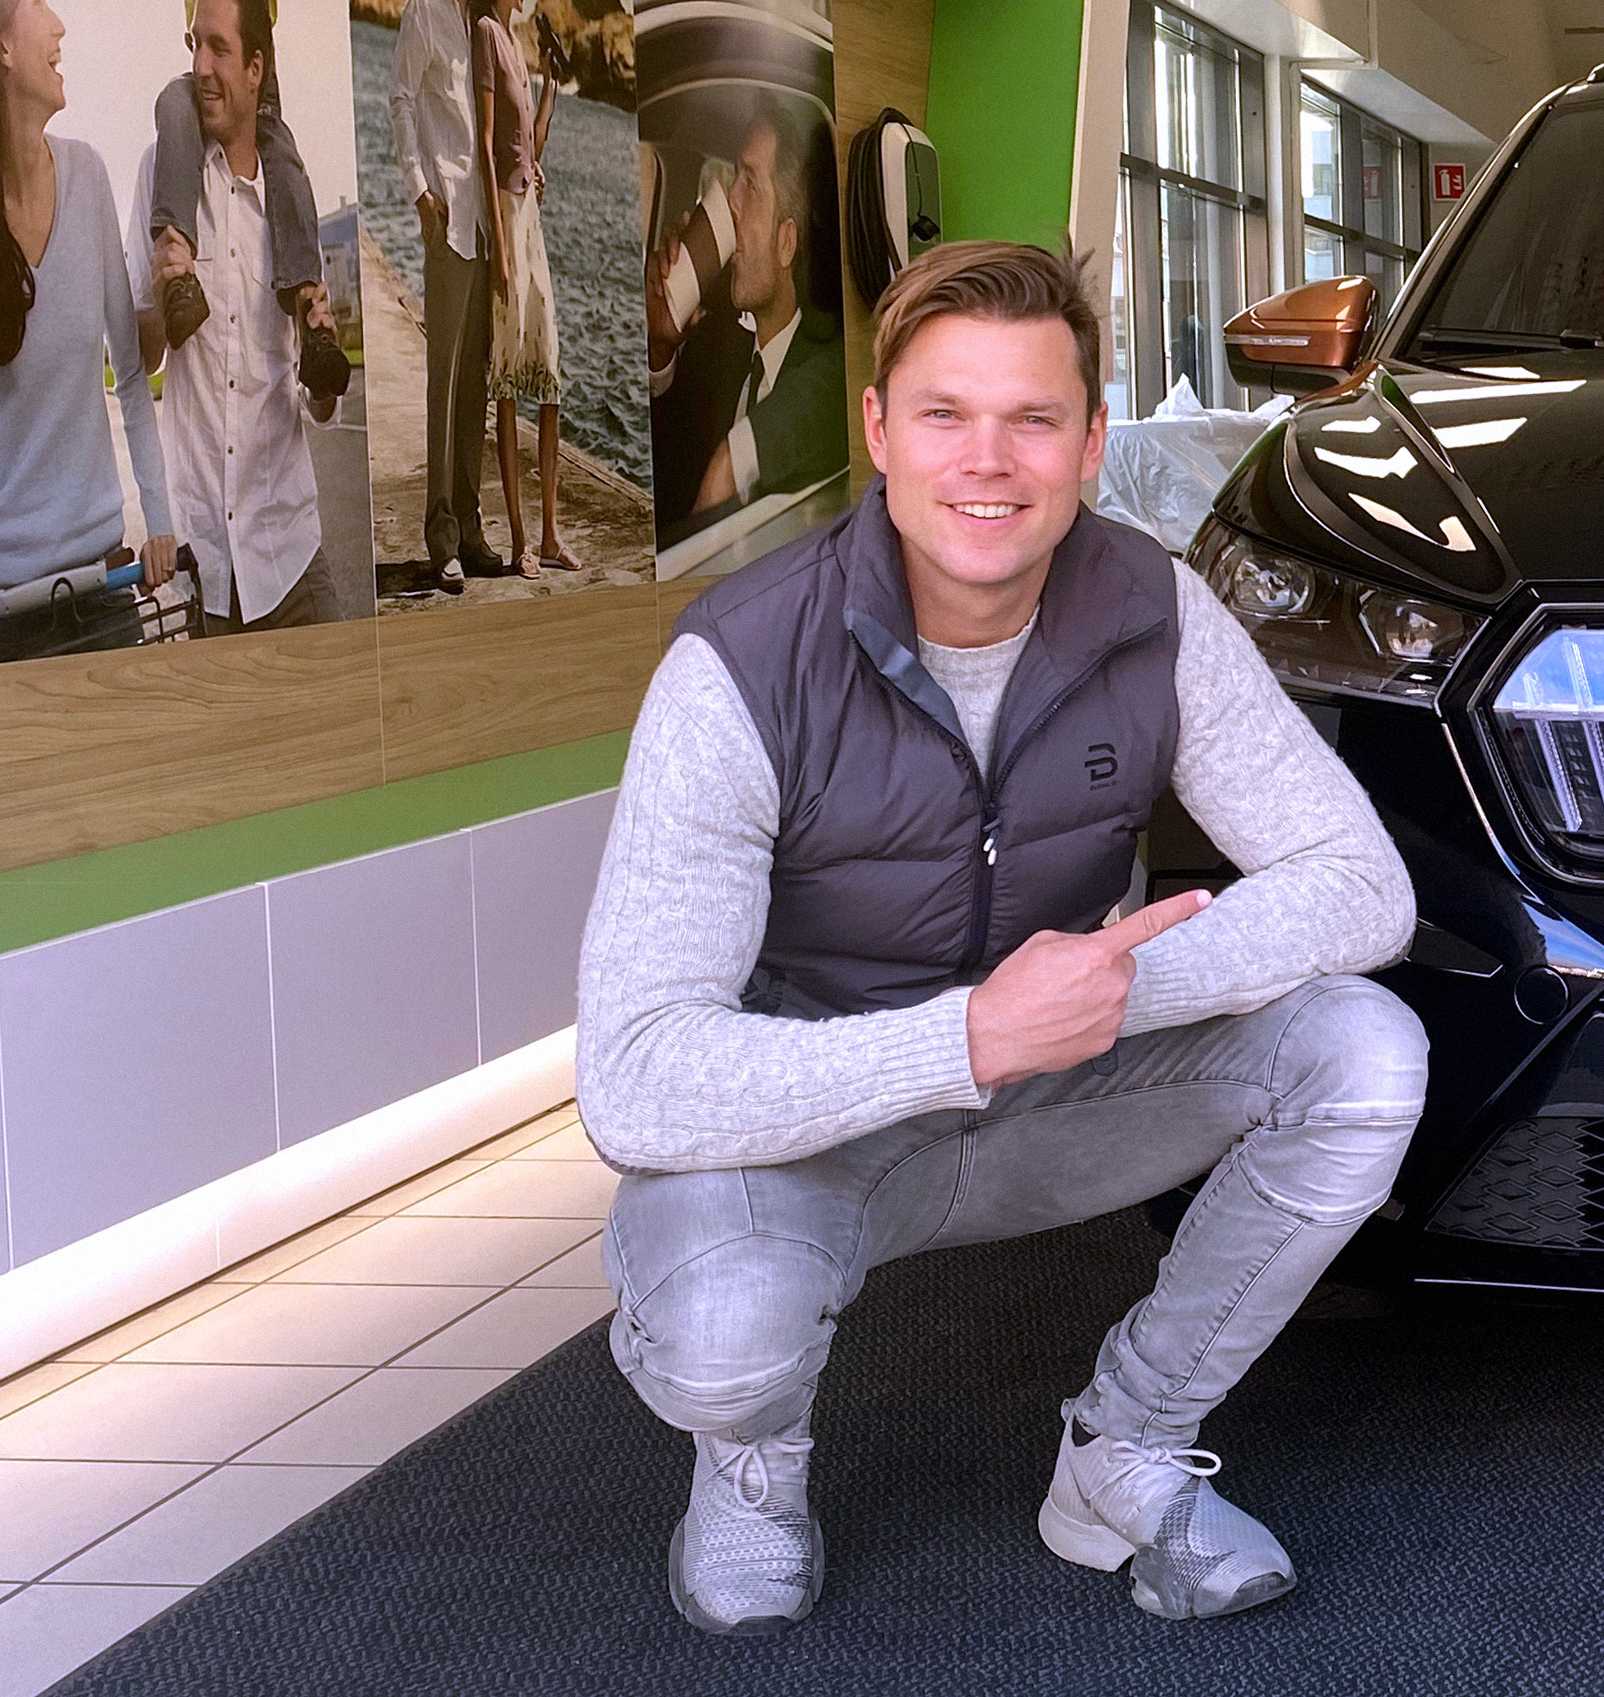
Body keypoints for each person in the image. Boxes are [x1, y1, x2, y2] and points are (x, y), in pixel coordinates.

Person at [578, 240, 1425, 1635]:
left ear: (1090, 442)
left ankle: (1125, 1446)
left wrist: (1106, 989)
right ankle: (750, 1460)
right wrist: (966, 1035)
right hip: (814, 1120)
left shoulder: (1152, 609)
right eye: (944, 414)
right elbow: (635, 1076)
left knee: (1362, 1052)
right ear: (877, 430)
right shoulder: (738, 663)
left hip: (1058, 1087)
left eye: (1033, 417)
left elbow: (1358, 886)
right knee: (722, 1340)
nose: (988, 460)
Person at [28, 0, 348, 399]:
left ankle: (310, 315)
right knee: (171, 103)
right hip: (202, 92)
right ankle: (177, 272)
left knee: (289, 169)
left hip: (258, 104)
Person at [137, 0, 343, 634]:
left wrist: (323, 371)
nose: (200, 66)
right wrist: (161, 298)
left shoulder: (289, 203)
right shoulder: (160, 175)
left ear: (256, 68)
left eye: (219, 49)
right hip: (207, 571)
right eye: (194, 44)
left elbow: (318, 407)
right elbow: (143, 360)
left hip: (291, 556)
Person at [0, 0, 177, 662]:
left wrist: (159, 519)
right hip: (9, 612)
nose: (60, 25)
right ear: (4, 46)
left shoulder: (89, 176)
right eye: (38, 3)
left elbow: (130, 374)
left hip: (107, 586)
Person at [389, 0, 513, 593]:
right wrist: (419, 191)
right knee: (443, 385)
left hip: (480, 224)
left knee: (474, 388)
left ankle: (469, 526)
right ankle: (441, 540)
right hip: (447, 221)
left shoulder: (475, 16)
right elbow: (401, 100)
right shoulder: (421, 5)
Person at [650, 102, 844, 535]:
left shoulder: (828, 376)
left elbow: (833, 395)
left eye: (749, 182)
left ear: (786, 243)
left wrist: (735, 460)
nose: (730, 203)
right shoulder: (711, 344)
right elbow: (664, 488)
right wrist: (660, 346)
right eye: (732, 176)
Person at [470, 0, 572, 579]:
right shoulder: (485, 32)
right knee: (507, 382)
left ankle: (552, 535)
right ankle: (517, 541)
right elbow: (485, 144)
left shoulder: (514, 40)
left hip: (529, 214)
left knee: (550, 376)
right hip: (507, 220)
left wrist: (552, 91)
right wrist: (501, 251)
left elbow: (524, 145)